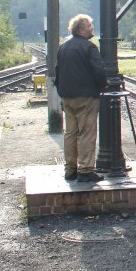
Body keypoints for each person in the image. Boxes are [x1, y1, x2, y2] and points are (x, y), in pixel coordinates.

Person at [55, 14, 107, 182]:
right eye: (90, 26)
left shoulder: (63, 47)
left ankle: (70, 170)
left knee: (70, 133)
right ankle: (85, 170)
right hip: (86, 97)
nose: (92, 28)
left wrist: (62, 92)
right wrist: (101, 86)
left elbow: (57, 72)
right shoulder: (89, 48)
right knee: (86, 133)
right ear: (81, 29)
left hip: (67, 97)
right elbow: (98, 71)